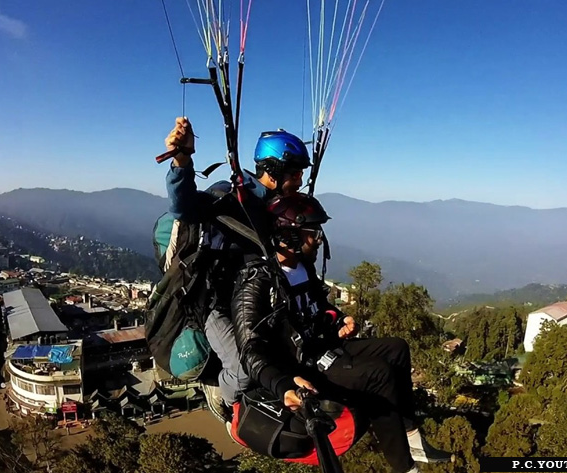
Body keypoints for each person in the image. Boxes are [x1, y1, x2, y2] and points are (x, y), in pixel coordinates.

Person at [231, 193, 453, 473]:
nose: (319, 239)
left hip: (321, 346)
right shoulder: (257, 282)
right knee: (378, 375)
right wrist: (283, 384)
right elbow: (250, 349)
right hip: (301, 367)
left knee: (397, 347)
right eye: (313, 232)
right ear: (291, 235)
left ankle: (411, 436)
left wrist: (338, 318)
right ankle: (404, 467)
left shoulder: (302, 268)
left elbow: (317, 304)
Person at [161, 117, 312, 417]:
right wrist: (182, 158)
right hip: (215, 302)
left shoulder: (280, 207)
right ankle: (224, 399)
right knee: (245, 367)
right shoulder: (231, 196)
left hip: (258, 296)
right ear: (273, 171)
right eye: (295, 173)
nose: (300, 181)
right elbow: (184, 207)